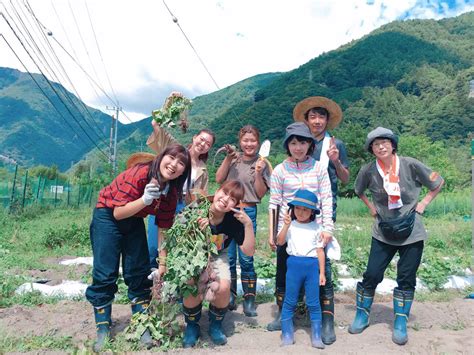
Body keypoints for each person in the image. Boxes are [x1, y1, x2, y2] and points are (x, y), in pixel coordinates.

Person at [85, 144, 191, 352]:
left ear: (183, 172)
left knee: (138, 270)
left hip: (134, 218)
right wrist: (145, 199)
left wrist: (163, 262)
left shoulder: (171, 193)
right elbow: (117, 213)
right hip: (108, 215)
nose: (174, 165)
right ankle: (103, 329)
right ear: (162, 157)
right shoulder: (140, 173)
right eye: (171, 158)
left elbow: (163, 227)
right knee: (105, 272)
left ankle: (142, 325)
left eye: (181, 164)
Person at [348, 127, 443, 345]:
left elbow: (437, 182)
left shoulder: (410, 164)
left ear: (393, 145)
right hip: (383, 231)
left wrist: (424, 203)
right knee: (372, 273)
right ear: (371, 149)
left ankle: (400, 320)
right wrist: (371, 207)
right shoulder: (368, 170)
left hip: (412, 230)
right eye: (375, 144)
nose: (380, 146)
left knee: (406, 277)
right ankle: (362, 315)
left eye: (384, 142)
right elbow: (358, 190)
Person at [292, 96, 349, 344]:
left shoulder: (335, 144)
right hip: (298, 209)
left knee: (321, 258)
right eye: (312, 116)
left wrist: (335, 160)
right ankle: (293, 310)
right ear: (306, 120)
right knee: (294, 255)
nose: (317, 121)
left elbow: (345, 179)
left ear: (327, 120)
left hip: (325, 207)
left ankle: (327, 319)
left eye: (321, 116)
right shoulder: (298, 143)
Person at [267, 122, 334, 332]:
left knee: (323, 273)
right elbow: (274, 202)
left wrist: (328, 228)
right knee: (284, 273)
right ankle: (283, 314)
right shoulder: (279, 170)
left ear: (310, 145)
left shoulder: (319, 168)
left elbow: (326, 199)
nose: (298, 147)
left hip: (315, 230)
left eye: (302, 142)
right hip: (288, 231)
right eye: (293, 143)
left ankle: (326, 320)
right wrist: (273, 233)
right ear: (288, 145)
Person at [180, 180, 255, 347]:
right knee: (190, 284)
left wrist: (248, 224)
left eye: (232, 199)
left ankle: (215, 325)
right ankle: (192, 326)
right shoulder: (197, 209)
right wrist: (196, 230)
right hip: (193, 253)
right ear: (217, 191)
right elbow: (179, 241)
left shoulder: (233, 221)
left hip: (218, 255)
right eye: (224, 193)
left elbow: (248, 251)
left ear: (235, 204)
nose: (226, 199)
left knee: (223, 288)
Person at [215, 125, 270, 316]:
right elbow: (219, 178)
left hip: (248, 212)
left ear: (258, 142)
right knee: (228, 258)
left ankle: (249, 299)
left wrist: (259, 172)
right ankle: (230, 295)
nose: (249, 144)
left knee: (246, 258)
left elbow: (261, 193)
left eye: (253, 140)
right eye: (245, 140)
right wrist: (228, 158)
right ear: (240, 141)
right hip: (228, 211)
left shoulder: (263, 163)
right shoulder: (234, 159)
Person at [145, 119, 215, 269]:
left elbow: (203, 197)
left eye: (208, 144)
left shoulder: (203, 170)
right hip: (163, 200)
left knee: (174, 244)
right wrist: (171, 105)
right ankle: (150, 283)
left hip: (184, 208)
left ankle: (166, 282)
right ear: (194, 137)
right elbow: (156, 125)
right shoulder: (176, 151)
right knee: (154, 243)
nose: (203, 144)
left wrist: (200, 214)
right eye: (201, 139)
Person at [276, 189, 326, 348]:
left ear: (312, 212)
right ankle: (287, 334)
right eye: (297, 208)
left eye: (305, 209)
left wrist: (322, 272)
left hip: (312, 267)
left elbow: (320, 251)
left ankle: (317, 335)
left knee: (313, 302)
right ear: (292, 209)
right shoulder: (290, 225)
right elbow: (280, 241)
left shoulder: (317, 227)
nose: (301, 212)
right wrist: (285, 226)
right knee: (290, 300)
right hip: (293, 265)